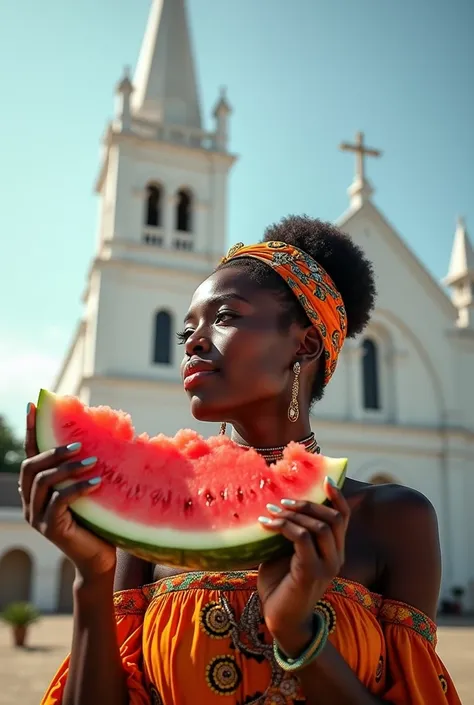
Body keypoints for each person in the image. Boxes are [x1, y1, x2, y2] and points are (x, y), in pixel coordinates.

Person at [21, 216, 461, 705]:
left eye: (225, 316)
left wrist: (295, 630)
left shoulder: (396, 518)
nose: (193, 341)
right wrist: (92, 575)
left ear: (305, 344)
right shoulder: (153, 524)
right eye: (187, 329)